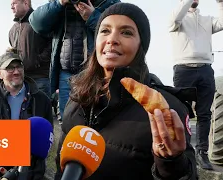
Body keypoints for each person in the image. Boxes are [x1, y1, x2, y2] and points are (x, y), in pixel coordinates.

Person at [54, 3, 198, 179]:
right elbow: (59, 166)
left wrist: (172, 162)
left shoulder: (166, 109)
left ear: (141, 46)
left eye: (126, 32)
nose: (112, 39)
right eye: (105, 31)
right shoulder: (76, 96)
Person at [29, 0, 121, 122]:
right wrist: (60, 3)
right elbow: (37, 23)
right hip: (66, 75)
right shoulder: (62, 4)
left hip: (96, 74)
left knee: (97, 118)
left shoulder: (109, 2)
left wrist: (92, 16)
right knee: (68, 119)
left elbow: (117, 33)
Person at [0, 49, 53, 179]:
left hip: (32, 172)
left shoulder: (41, 99)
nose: (16, 71)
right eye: (10, 68)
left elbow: (48, 135)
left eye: (19, 66)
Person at [169, 0, 223, 170]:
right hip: (184, 70)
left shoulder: (207, 20)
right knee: (180, 112)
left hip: (206, 69)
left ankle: (202, 153)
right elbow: (175, 19)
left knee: (204, 114)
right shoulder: (177, 18)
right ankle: (183, 152)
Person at [9, 0, 52, 98]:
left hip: (40, 78)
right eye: (11, 5)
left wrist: (38, 60)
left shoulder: (40, 21)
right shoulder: (12, 30)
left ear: (25, 3)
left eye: (14, 3)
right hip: (21, 80)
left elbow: (52, 42)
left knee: (40, 111)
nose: (11, 7)